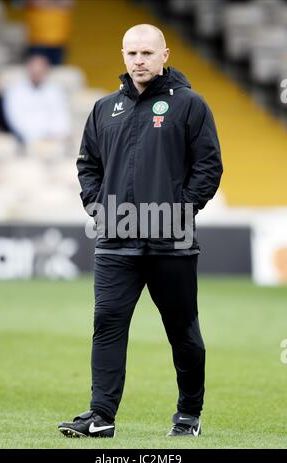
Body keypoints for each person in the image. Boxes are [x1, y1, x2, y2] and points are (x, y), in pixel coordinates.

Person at [58, 24, 223, 438]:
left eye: (147, 53)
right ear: (123, 56)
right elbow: (87, 166)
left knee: (183, 331)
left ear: (165, 55)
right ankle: (101, 417)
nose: (139, 61)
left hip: (172, 241)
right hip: (116, 241)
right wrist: (101, 209)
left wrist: (180, 212)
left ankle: (188, 414)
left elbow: (208, 167)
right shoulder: (103, 108)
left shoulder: (190, 105)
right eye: (132, 53)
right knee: (108, 324)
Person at [3, 55, 71, 144]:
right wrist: (34, 137)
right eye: (34, 69)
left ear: (46, 70)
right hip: (25, 139)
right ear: (28, 69)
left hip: (53, 139)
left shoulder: (55, 91)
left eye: (40, 70)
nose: (36, 73)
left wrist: (55, 135)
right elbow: (15, 119)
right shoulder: (15, 91)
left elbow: (61, 116)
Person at [25, 0, 74, 65]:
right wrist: (56, 4)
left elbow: (68, 4)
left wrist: (45, 4)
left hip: (59, 40)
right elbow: (35, 3)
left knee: (57, 71)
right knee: (37, 70)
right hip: (37, 41)